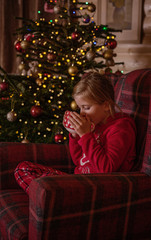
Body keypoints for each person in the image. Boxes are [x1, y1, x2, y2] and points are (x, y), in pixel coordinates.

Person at [14, 71, 136, 194]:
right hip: (77, 180)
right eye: (80, 108)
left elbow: (106, 169)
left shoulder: (121, 127)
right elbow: (79, 161)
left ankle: (51, 199)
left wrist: (85, 135)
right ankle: (50, 197)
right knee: (24, 168)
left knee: (43, 186)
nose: (82, 113)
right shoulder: (94, 125)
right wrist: (75, 135)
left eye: (86, 107)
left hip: (97, 187)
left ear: (106, 105)